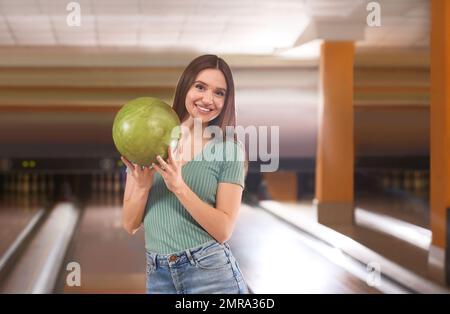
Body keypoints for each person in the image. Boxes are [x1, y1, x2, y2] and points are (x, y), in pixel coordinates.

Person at [121, 55, 249, 294]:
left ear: (227, 100)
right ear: (185, 87)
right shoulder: (149, 139)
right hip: (158, 274)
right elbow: (130, 224)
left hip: (210, 274)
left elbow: (223, 230)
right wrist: (141, 187)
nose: (207, 99)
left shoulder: (229, 150)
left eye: (219, 93)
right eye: (200, 87)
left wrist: (179, 186)